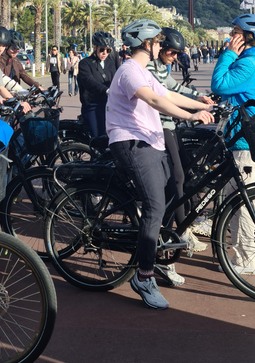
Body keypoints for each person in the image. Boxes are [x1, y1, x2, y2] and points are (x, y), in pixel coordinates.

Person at [107, 19, 214, 309]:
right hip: (133, 144)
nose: (160, 46)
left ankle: (158, 252)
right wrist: (190, 116)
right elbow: (154, 99)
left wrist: (202, 105)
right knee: (154, 206)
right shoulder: (129, 71)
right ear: (146, 43)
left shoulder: (142, 71)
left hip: (150, 142)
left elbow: (169, 93)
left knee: (168, 195)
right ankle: (144, 276)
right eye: (157, 41)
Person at [210, 13, 255, 276]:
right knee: (243, 198)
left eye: (235, 32)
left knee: (239, 202)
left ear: (248, 36)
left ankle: (246, 260)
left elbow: (218, 84)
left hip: (244, 140)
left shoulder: (248, 63)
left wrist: (228, 54)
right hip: (249, 137)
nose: (231, 36)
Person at [146, 27, 214, 276]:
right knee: (176, 178)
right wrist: (194, 109)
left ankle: (181, 230)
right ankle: (179, 233)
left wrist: (201, 98)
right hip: (158, 126)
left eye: (177, 54)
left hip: (169, 125)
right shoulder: (149, 68)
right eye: (172, 53)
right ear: (160, 48)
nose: (175, 57)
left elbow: (174, 86)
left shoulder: (163, 67)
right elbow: (165, 95)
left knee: (181, 176)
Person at [77, 31, 117, 139]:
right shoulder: (85, 63)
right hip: (92, 106)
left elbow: (115, 80)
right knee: (98, 139)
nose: (105, 53)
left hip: (108, 105)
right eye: (101, 50)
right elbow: (88, 81)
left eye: (108, 50)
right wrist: (106, 90)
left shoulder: (110, 63)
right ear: (95, 48)